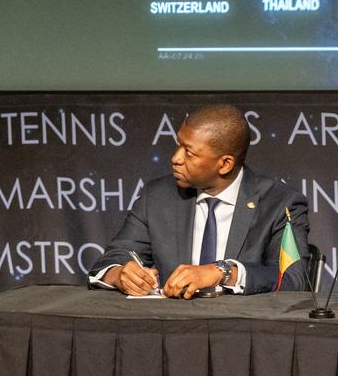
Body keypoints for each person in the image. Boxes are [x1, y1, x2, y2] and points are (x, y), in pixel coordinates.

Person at [88, 104, 310, 299]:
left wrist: (223, 272)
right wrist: (119, 274)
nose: (176, 158)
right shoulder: (157, 197)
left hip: (244, 328)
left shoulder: (280, 204)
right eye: (178, 145)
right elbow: (113, 258)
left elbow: (292, 279)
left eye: (189, 153)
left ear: (224, 164)